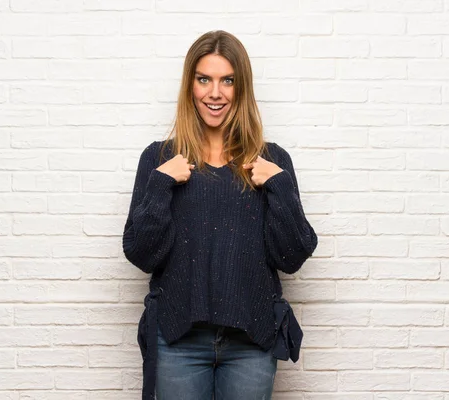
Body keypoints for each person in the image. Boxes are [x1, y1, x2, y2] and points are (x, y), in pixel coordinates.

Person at [122, 30, 317, 400]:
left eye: (227, 80)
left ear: (241, 88)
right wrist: (161, 184)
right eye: (204, 80)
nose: (215, 93)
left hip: (251, 342)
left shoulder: (272, 161)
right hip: (177, 339)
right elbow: (141, 254)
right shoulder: (159, 159)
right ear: (190, 86)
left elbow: (292, 257)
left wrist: (279, 185)